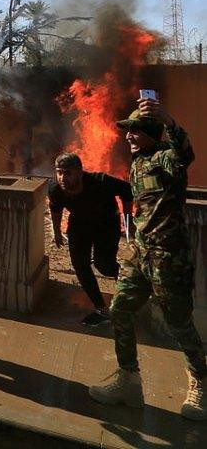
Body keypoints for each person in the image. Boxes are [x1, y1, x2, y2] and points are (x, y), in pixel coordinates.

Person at [89, 98, 206, 420]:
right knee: (120, 309)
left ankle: (201, 382)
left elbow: (186, 154)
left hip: (169, 257)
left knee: (178, 322)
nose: (128, 136)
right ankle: (129, 381)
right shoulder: (138, 162)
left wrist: (169, 121)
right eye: (127, 130)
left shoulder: (166, 157)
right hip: (140, 253)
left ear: (152, 133)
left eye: (135, 130)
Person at [48, 152, 132, 326]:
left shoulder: (100, 181)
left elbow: (127, 190)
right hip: (79, 223)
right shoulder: (55, 188)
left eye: (68, 173)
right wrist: (56, 232)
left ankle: (128, 291)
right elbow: (56, 209)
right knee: (80, 265)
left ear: (79, 172)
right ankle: (101, 310)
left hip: (106, 223)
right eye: (59, 172)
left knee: (104, 265)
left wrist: (128, 221)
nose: (62, 177)